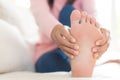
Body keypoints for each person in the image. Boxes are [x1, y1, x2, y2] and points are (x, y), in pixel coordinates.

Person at [30, 0, 110, 73]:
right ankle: (78, 62)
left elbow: (92, 15)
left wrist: (100, 33)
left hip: (76, 48)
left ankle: (78, 57)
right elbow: (41, 14)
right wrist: (55, 29)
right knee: (47, 63)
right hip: (48, 50)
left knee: (68, 11)